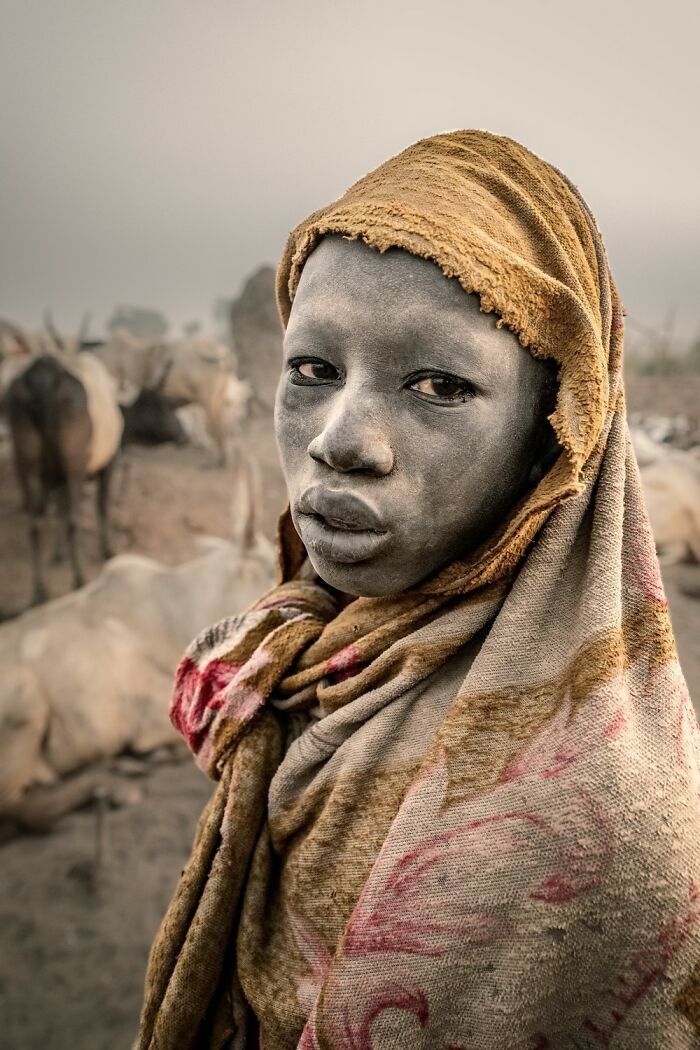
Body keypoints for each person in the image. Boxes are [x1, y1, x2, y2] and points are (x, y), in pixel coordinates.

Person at [136, 131, 700, 1049]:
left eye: (438, 384)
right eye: (313, 370)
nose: (341, 439)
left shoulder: (595, 830)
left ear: (552, 439)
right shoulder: (308, 659)